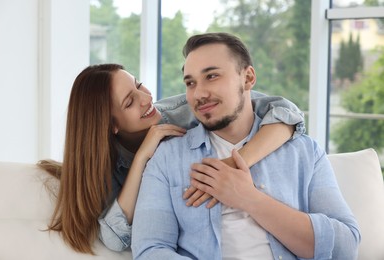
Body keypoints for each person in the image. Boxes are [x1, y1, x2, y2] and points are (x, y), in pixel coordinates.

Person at [131, 32, 361, 259]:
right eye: (190, 83)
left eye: (212, 76)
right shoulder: (168, 158)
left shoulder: (304, 152)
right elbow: (151, 250)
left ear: (248, 78)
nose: (199, 93)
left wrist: (249, 198)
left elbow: (345, 247)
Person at [38, 62, 304, 254]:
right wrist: (143, 157)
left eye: (139, 85)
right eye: (130, 102)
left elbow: (285, 112)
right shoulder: (105, 166)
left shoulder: (182, 112)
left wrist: (232, 164)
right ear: (111, 126)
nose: (146, 98)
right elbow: (115, 237)